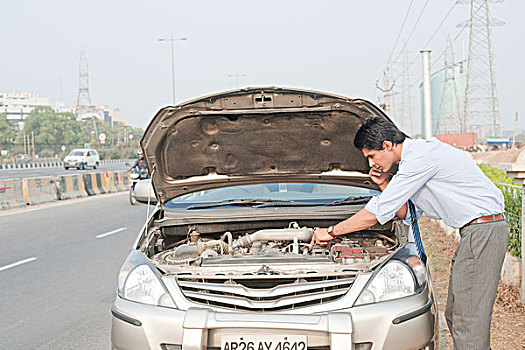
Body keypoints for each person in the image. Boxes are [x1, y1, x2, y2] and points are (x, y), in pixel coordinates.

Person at [311, 116, 508, 350]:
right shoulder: (413, 162)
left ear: (387, 145)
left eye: (372, 156)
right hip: (476, 231)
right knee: (456, 315)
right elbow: (409, 213)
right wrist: (385, 183)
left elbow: (377, 212)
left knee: (469, 320)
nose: (371, 163)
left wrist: (331, 232)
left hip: (483, 231)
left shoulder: (419, 159)